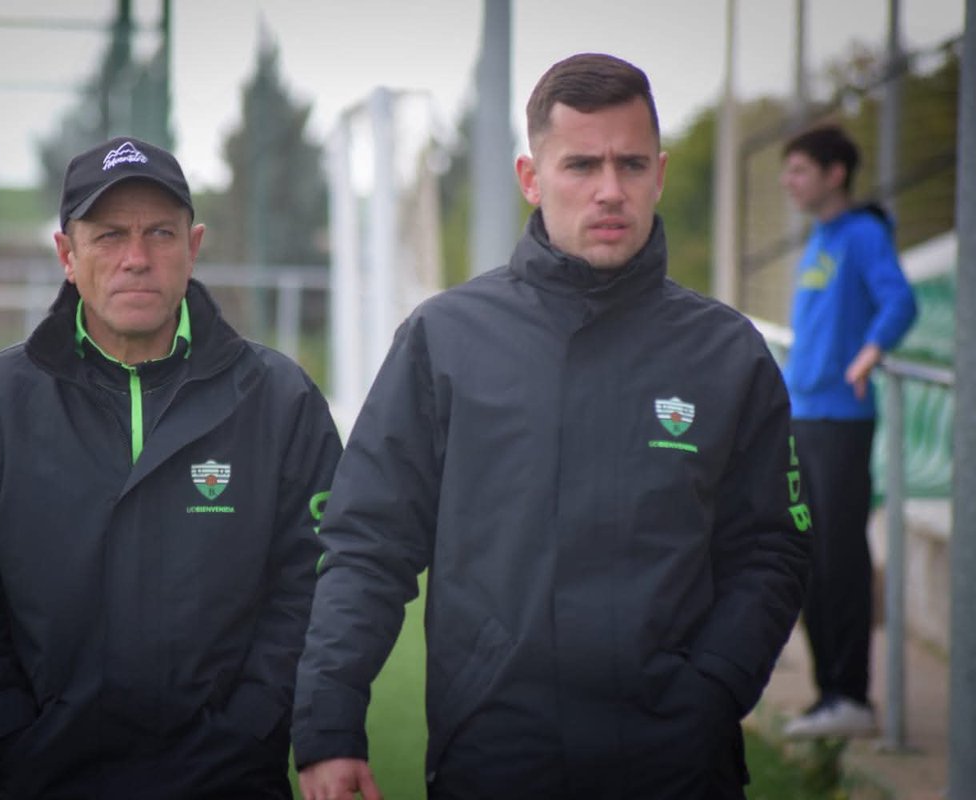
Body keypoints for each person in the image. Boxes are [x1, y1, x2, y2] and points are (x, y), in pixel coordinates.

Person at [291, 53, 812, 800]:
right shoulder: (446, 338)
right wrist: (330, 723)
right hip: (498, 753)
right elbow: (368, 543)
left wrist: (712, 691)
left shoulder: (726, 353)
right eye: (581, 165)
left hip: (678, 760)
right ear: (531, 178)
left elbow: (772, 546)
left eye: (631, 164)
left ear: (659, 174)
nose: (610, 190)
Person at [0, 136, 342, 799]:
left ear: (193, 247)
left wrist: (248, 729)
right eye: (109, 235)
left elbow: (314, 584)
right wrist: (12, 740)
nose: (137, 258)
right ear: (66, 255)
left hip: (231, 780)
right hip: (46, 779)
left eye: (159, 233)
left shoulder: (280, 400)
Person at [778, 125, 917, 739]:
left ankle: (851, 696)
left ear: (836, 174)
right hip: (804, 418)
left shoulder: (862, 235)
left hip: (841, 420)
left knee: (838, 558)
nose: (789, 181)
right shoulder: (819, 239)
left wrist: (868, 354)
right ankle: (828, 695)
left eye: (801, 169)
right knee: (806, 557)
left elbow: (899, 303)